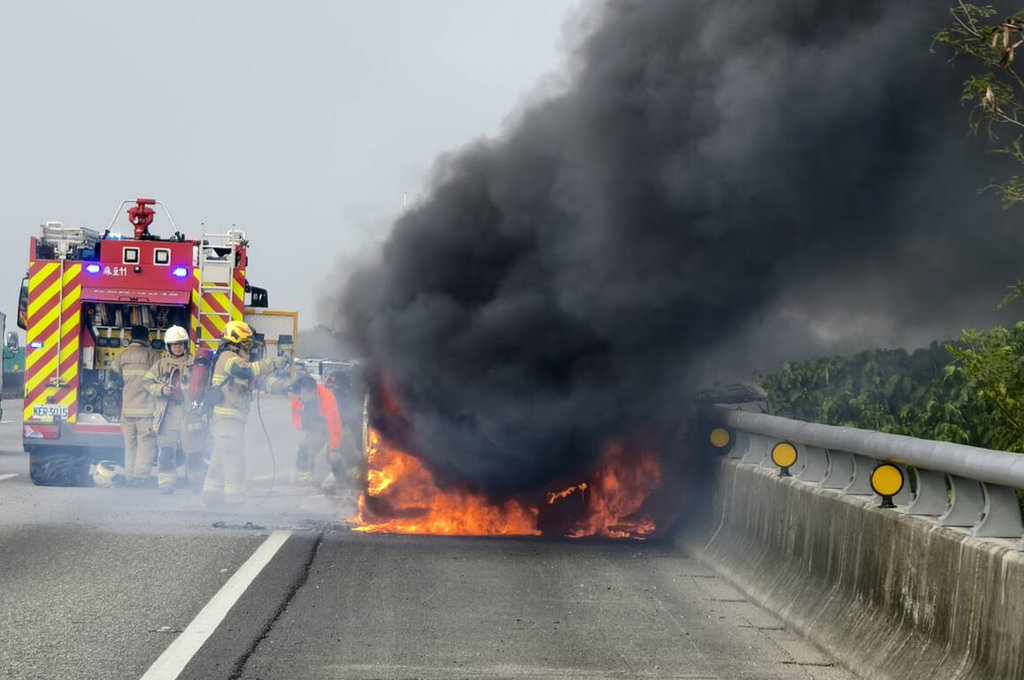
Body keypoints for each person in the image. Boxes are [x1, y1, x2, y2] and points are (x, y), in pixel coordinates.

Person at [203, 320, 292, 506]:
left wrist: (286, 385)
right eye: (247, 343)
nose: (250, 347)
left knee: (220, 457)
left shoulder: (240, 361)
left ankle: (211, 496)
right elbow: (244, 371)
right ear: (237, 340)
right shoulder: (228, 357)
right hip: (225, 418)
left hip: (231, 420)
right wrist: (272, 363)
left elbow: (262, 381)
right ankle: (234, 498)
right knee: (233, 458)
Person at [143, 325, 204, 495]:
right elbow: (146, 383)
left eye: (181, 344)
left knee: (193, 449)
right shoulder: (161, 365)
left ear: (185, 345)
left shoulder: (195, 364)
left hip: (188, 413)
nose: (178, 347)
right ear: (168, 346)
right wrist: (161, 389)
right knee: (166, 450)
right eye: (174, 344)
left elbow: (203, 385)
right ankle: (166, 484)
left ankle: (197, 482)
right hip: (168, 413)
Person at [109, 325, 160, 486]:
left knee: (130, 444)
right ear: (147, 338)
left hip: (127, 410)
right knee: (145, 443)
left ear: (131, 337)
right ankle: (141, 477)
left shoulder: (122, 355)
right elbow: (160, 377)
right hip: (146, 410)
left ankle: (129, 476)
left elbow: (113, 373)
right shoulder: (153, 356)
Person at [290, 375, 344, 487]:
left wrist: (333, 449)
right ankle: (305, 478)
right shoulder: (298, 397)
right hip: (313, 429)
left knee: (334, 455)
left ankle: (344, 476)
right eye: (300, 394)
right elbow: (295, 415)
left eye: (304, 394)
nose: (301, 397)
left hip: (329, 428)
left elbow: (334, 425)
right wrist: (303, 429)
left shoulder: (327, 398)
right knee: (304, 448)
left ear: (313, 391)